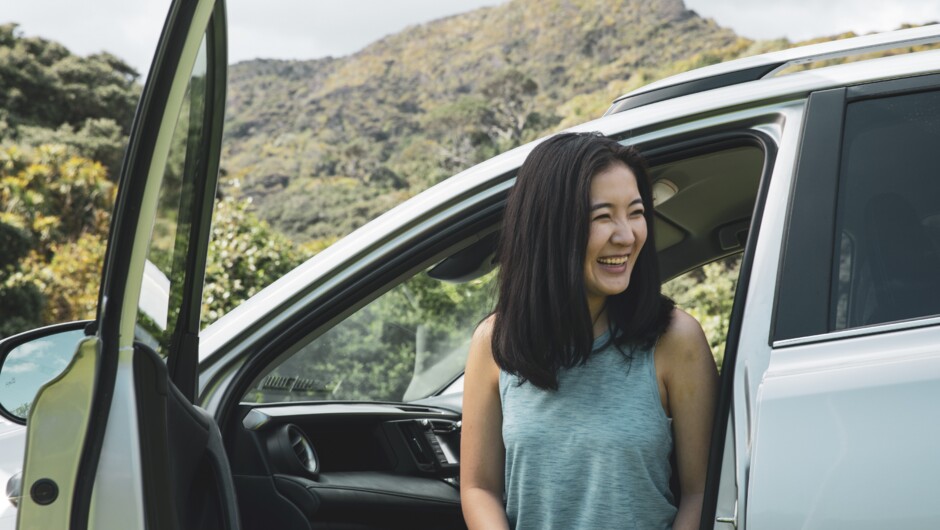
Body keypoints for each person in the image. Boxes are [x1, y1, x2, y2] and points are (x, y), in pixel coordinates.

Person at [460, 132, 719, 530]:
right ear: (551, 227)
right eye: (602, 217)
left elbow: (702, 493)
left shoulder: (676, 339)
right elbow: (479, 488)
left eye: (635, 212)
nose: (627, 235)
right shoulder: (493, 343)